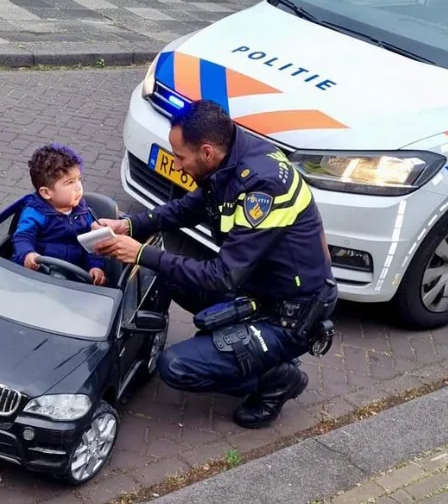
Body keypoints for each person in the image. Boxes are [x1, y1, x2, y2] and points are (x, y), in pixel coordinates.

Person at [94, 100, 336, 428]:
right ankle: (220, 345)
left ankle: (277, 378)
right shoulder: (231, 155)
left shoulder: (262, 187)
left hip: (286, 316)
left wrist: (139, 253)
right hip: (253, 289)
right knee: (161, 271)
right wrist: (132, 226)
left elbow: (221, 276)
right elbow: (189, 207)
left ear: (206, 152)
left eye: (180, 157)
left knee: (175, 366)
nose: (177, 165)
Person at [12, 143, 107, 285]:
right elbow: (22, 237)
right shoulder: (35, 213)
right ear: (46, 192)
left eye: (78, 179)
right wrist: (28, 254)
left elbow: (92, 245)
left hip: (73, 276)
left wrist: (95, 266)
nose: (78, 187)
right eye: (69, 183)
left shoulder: (84, 211)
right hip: (39, 274)